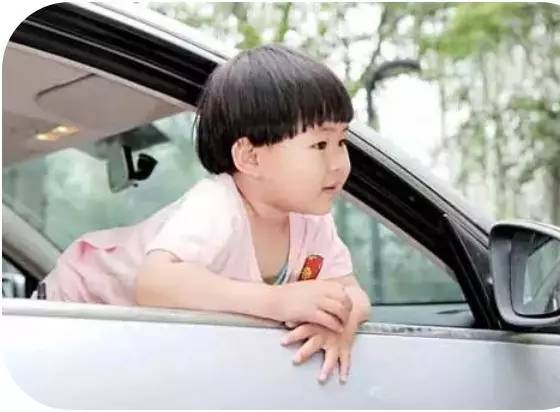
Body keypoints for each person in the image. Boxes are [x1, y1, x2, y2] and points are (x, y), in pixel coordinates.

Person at [39, 44, 371, 383]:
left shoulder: (313, 220)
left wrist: (341, 322)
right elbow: (155, 284)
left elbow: (351, 291)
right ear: (251, 158)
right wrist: (276, 300)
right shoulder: (218, 204)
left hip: (132, 331)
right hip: (77, 297)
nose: (339, 163)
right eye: (320, 145)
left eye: (342, 142)